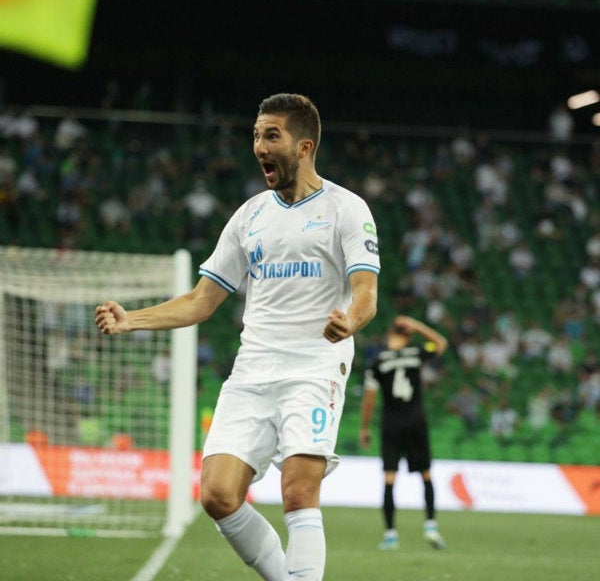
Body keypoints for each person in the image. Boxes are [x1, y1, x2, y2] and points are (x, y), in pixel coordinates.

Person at [95, 93, 380, 580]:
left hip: (315, 364)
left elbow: (366, 293)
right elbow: (201, 301)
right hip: (253, 369)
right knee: (217, 494)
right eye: (255, 135)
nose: (259, 145)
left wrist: (350, 321)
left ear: (305, 145)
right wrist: (132, 320)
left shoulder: (345, 209)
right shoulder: (250, 216)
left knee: (298, 489)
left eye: (271, 135)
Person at [359, 315, 447, 551]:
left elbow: (369, 398)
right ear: (408, 335)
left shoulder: (377, 361)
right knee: (426, 474)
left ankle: (390, 534)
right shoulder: (416, 352)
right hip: (416, 420)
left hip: (392, 422)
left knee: (390, 477)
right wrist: (418, 326)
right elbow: (441, 344)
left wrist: (364, 427)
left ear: (390, 334)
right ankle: (430, 526)